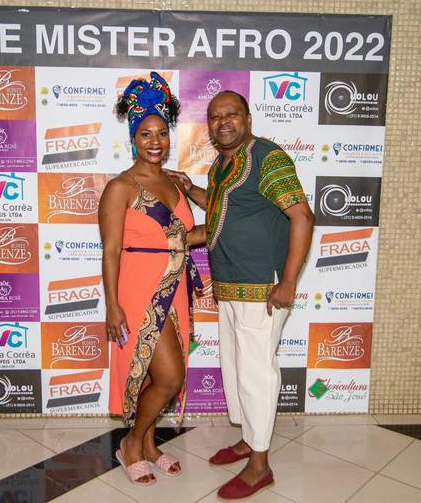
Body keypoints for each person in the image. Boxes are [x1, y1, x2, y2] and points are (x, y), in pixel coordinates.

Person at [168, 90, 314, 499]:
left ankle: (260, 465)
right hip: (229, 286)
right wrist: (191, 188)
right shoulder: (221, 165)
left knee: (256, 374)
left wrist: (288, 281)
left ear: (248, 119)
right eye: (215, 116)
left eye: (231, 114)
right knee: (235, 368)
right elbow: (221, 211)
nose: (223, 122)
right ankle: (250, 440)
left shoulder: (267, 158)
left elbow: (302, 217)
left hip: (262, 288)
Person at [99, 72, 205, 485]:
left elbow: (186, 237)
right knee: (169, 376)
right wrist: (112, 305)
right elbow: (111, 250)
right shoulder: (120, 187)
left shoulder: (175, 183)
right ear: (133, 137)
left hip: (174, 288)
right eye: (146, 134)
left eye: (162, 132)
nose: (155, 141)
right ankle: (132, 443)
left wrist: (203, 199)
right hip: (139, 289)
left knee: (156, 375)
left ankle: (146, 444)